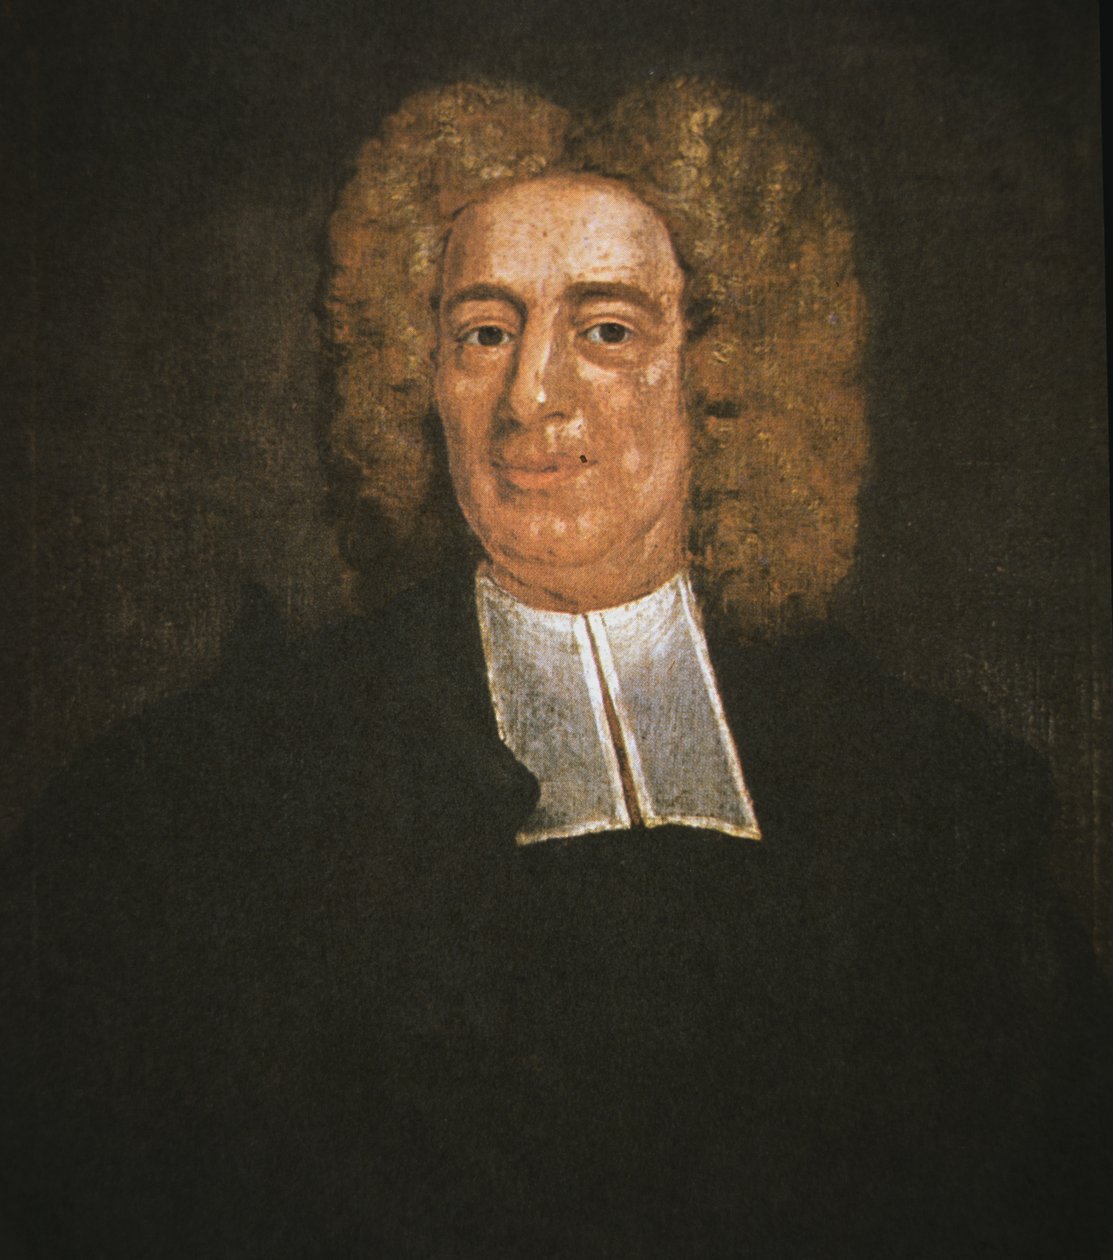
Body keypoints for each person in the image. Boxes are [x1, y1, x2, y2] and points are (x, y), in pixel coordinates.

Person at [2, 79, 1110, 1258]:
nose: (531, 395)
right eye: (485, 332)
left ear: (724, 376)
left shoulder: (932, 793)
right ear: (420, 376)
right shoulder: (213, 794)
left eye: (606, 330)